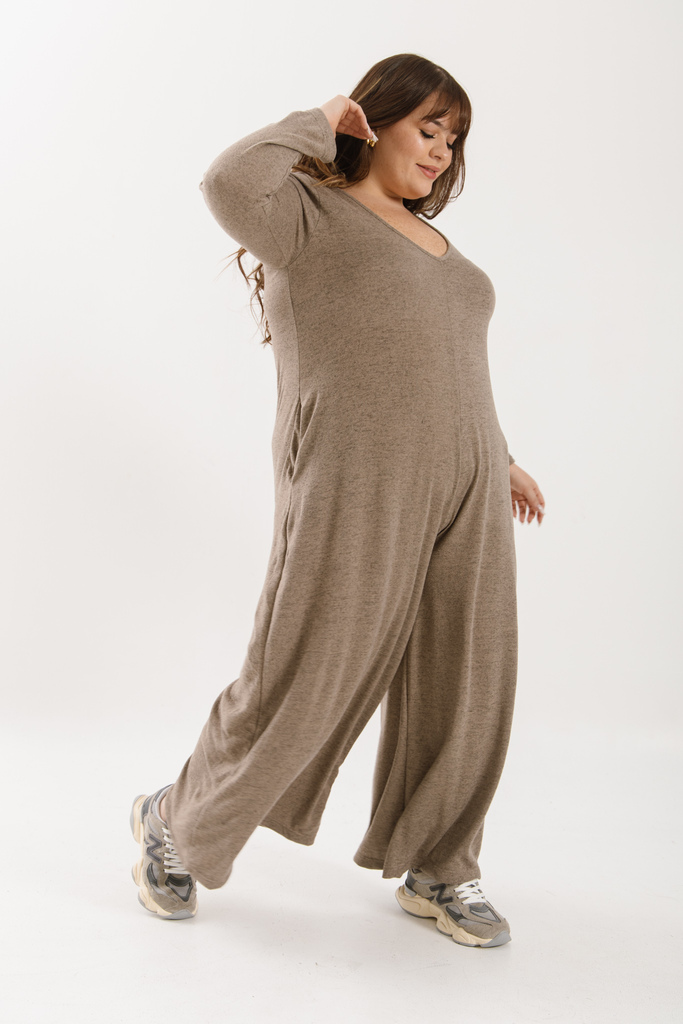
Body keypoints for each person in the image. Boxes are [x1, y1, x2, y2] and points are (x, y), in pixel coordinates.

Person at [129, 52, 546, 948]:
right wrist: (320, 120)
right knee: (303, 673)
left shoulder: (437, 246)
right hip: (355, 477)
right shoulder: (303, 216)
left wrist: (500, 456)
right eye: (427, 127)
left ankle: (442, 867)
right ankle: (176, 818)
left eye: (453, 139)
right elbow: (226, 179)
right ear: (375, 118)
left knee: (468, 677)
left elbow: (448, 362)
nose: (440, 151)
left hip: (467, 479)